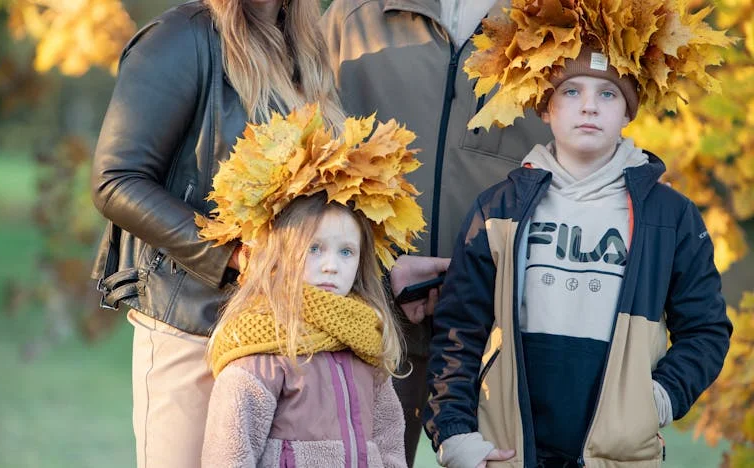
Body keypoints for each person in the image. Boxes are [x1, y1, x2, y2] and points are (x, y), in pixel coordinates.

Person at [423, 2, 734, 467]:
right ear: (545, 109)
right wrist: (455, 434)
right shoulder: (499, 209)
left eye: (608, 95)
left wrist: (658, 399)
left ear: (628, 113)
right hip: (508, 447)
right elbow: (458, 331)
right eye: (570, 90)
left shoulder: (670, 218)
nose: (589, 105)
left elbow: (706, 330)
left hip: (618, 452)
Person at [89, 1, 345, 466]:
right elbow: (116, 178)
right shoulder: (182, 37)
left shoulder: (306, 46)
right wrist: (231, 254)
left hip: (286, 341)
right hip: (193, 329)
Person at [321, 2, 553, 462]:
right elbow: (306, 170)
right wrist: (377, 273)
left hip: (504, 337)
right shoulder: (353, 17)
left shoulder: (560, 22)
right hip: (366, 324)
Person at [196, 103, 424, 466]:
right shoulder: (263, 347)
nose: (331, 265)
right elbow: (229, 453)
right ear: (281, 255)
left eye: (346, 252)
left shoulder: (366, 347)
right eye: (314, 248)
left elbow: (390, 446)